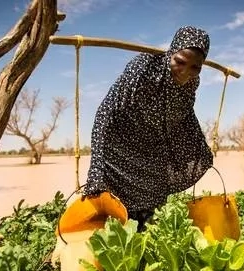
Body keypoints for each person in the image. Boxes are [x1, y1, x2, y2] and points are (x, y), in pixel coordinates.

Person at [82, 26, 213, 231]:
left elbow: (186, 115)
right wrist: (97, 166)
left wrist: (201, 150)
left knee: (149, 215)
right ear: (171, 53)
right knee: (115, 214)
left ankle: (144, 247)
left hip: (152, 156)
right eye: (179, 62)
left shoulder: (191, 84)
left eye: (195, 67)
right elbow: (106, 112)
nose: (185, 72)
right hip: (120, 151)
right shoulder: (142, 69)